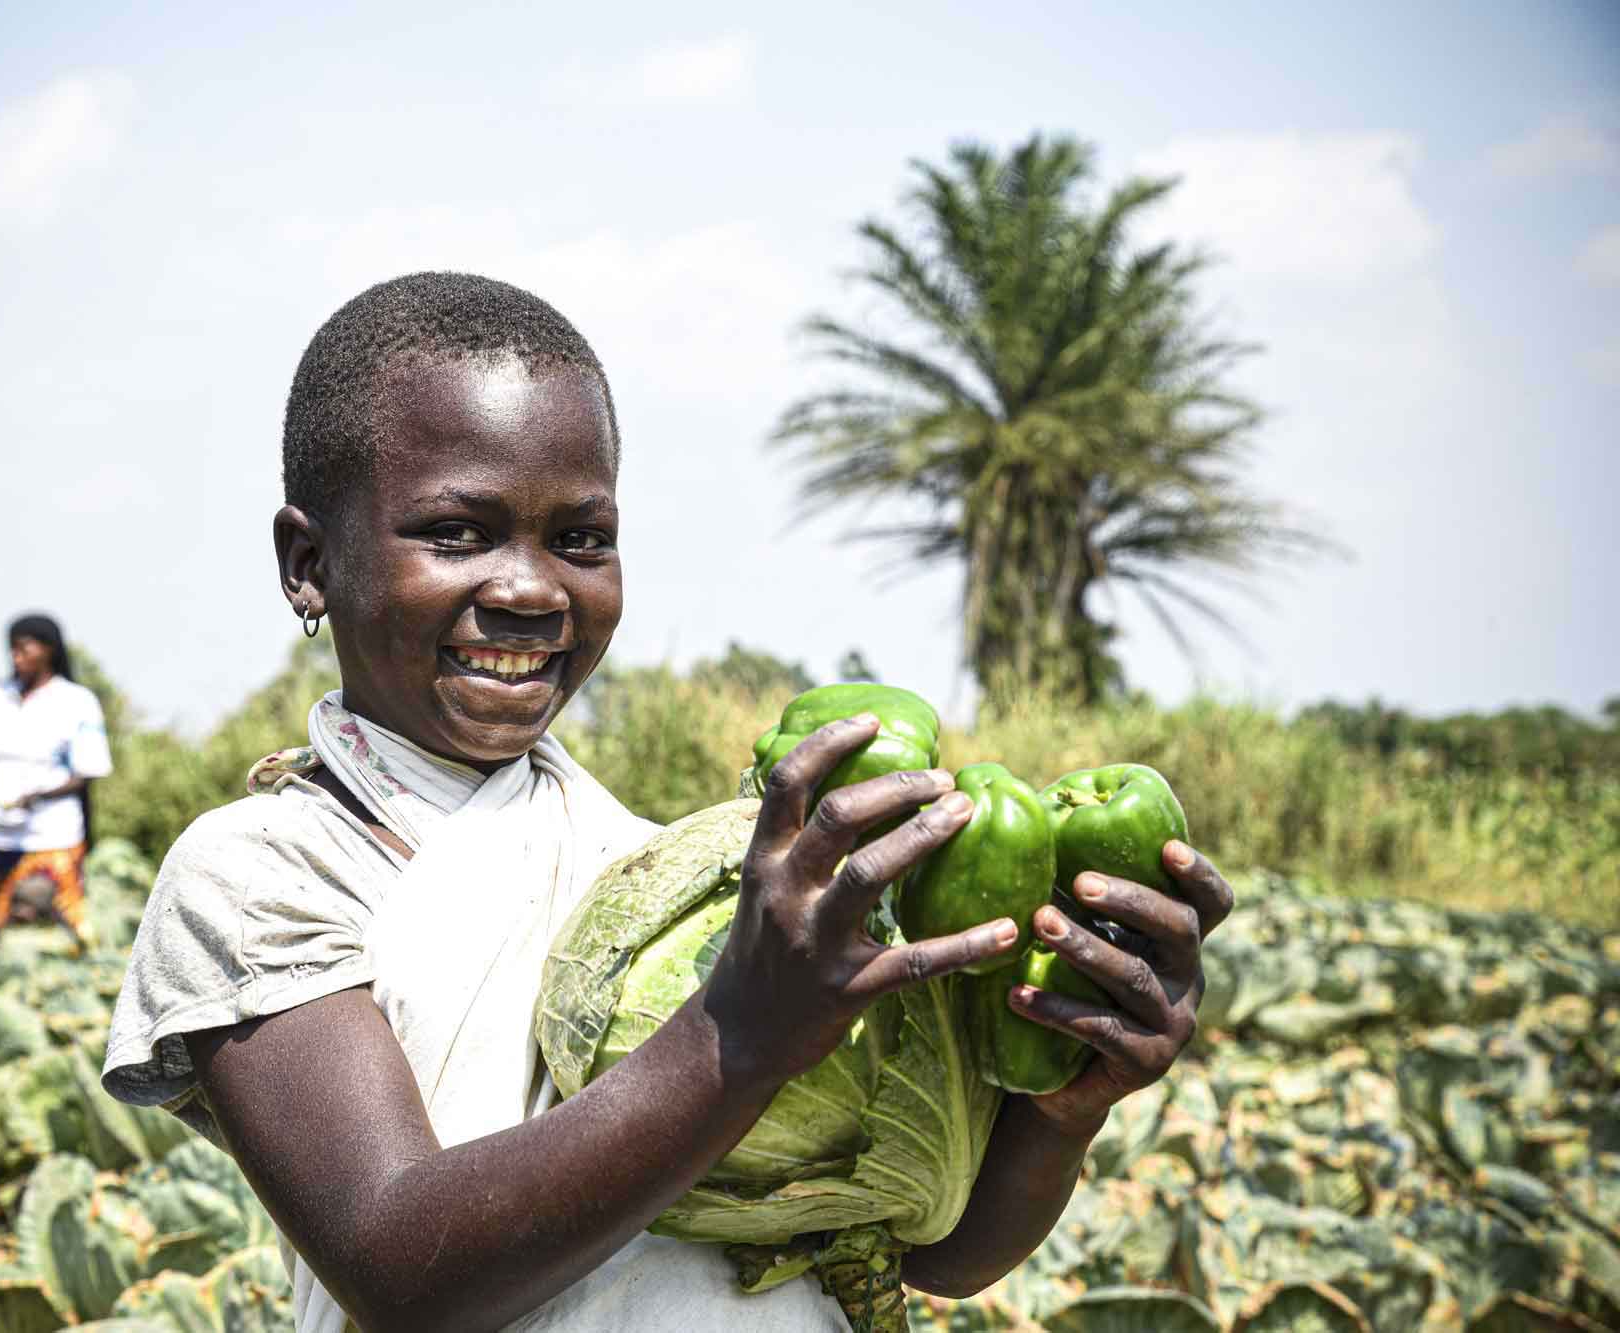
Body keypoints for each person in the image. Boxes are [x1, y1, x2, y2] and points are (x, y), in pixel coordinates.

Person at [101, 273, 1236, 1331]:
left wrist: (1062, 1096)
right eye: (455, 532)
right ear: (308, 562)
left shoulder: (657, 879)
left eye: (581, 539)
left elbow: (927, 1247)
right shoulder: (259, 872)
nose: (530, 588)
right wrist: (737, 1038)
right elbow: (395, 1261)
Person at [0, 613, 112, 951]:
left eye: (24, 649)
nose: (16, 657)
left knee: (64, 914)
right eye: (12, 650)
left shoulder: (76, 702)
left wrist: (38, 795)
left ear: (49, 651)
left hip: (52, 829)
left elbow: (86, 773)